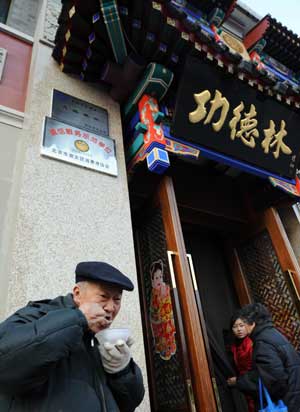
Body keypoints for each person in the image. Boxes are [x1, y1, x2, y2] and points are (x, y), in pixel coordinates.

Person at [0, 261, 145, 412]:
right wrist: (78, 319)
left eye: (117, 299)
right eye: (103, 296)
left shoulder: (99, 341)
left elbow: (129, 403)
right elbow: (5, 363)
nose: (110, 307)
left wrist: (123, 371)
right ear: (77, 293)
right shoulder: (39, 314)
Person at [233, 303, 300, 412]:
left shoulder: (263, 342)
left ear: (252, 323)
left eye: (244, 323)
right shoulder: (274, 334)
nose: (243, 327)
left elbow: (275, 379)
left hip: (286, 403)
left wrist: (240, 382)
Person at [226, 313, 255, 412]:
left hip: (255, 386)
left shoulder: (252, 343)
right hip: (247, 389)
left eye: (241, 325)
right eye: (235, 327)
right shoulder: (234, 346)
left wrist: (238, 380)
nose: (239, 329)